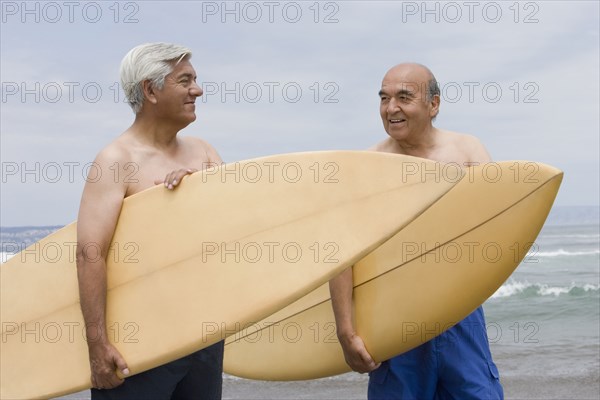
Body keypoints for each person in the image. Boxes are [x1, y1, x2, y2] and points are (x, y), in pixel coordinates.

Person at [329, 63, 504, 400]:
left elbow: (501, 223)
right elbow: (341, 249)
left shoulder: (466, 153)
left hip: (459, 313)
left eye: (403, 97)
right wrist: (346, 332)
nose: (391, 108)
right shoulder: (368, 166)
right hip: (394, 316)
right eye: (384, 98)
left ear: (433, 105)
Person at [76, 43, 224, 399]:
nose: (198, 90)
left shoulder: (203, 152)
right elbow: (89, 253)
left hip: (203, 338)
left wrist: (197, 191)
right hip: (139, 346)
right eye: (185, 80)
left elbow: (235, 232)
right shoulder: (116, 160)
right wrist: (97, 347)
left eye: (196, 80)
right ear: (150, 89)